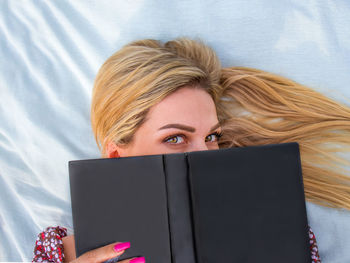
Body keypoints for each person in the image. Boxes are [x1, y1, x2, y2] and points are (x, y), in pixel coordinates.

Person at [33, 37, 350, 262]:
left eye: (212, 136)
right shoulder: (59, 255)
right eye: (175, 138)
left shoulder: (279, 230)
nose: (206, 156)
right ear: (116, 155)